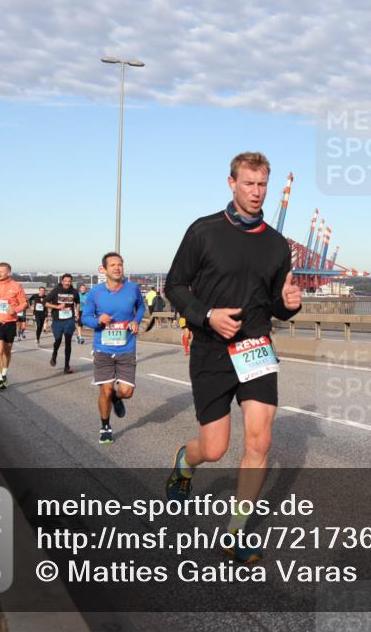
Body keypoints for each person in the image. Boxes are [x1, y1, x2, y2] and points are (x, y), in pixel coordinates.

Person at [163, 152, 302, 563]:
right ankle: (185, 463)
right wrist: (207, 315)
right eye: (248, 184)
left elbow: (276, 304)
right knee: (215, 448)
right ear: (231, 183)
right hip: (210, 350)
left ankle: (237, 531)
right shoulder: (204, 231)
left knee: (261, 437)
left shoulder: (277, 244)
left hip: (256, 348)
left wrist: (290, 304)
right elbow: (175, 285)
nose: (256, 192)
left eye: (262, 185)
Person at [81, 253, 145, 445]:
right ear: (104, 269)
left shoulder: (133, 289)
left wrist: (135, 320)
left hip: (126, 347)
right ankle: (105, 426)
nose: (117, 268)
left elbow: (140, 308)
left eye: (120, 265)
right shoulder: (95, 293)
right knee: (106, 390)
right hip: (103, 348)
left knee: (127, 392)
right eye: (113, 265)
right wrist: (97, 320)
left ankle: (118, 398)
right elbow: (85, 318)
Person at [0, 262, 29, 390]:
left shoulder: (16, 286)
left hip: (10, 321)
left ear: (8, 273)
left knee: (7, 351)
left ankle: (4, 374)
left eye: (2, 271)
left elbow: (25, 303)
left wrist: (15, 309)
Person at [46, 275, 81, 374]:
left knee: (68, 342)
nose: (67, 283)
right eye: (65, 281)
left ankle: (66, 366)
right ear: (62, 281)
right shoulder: (56, 290)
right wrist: (57, 307)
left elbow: (77, 302)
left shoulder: (74, 291)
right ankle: (54, 353)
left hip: (69, 320)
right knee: (58, 340)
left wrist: (77, 313)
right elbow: (46, 302)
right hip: (57, 321)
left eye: (69, 281)